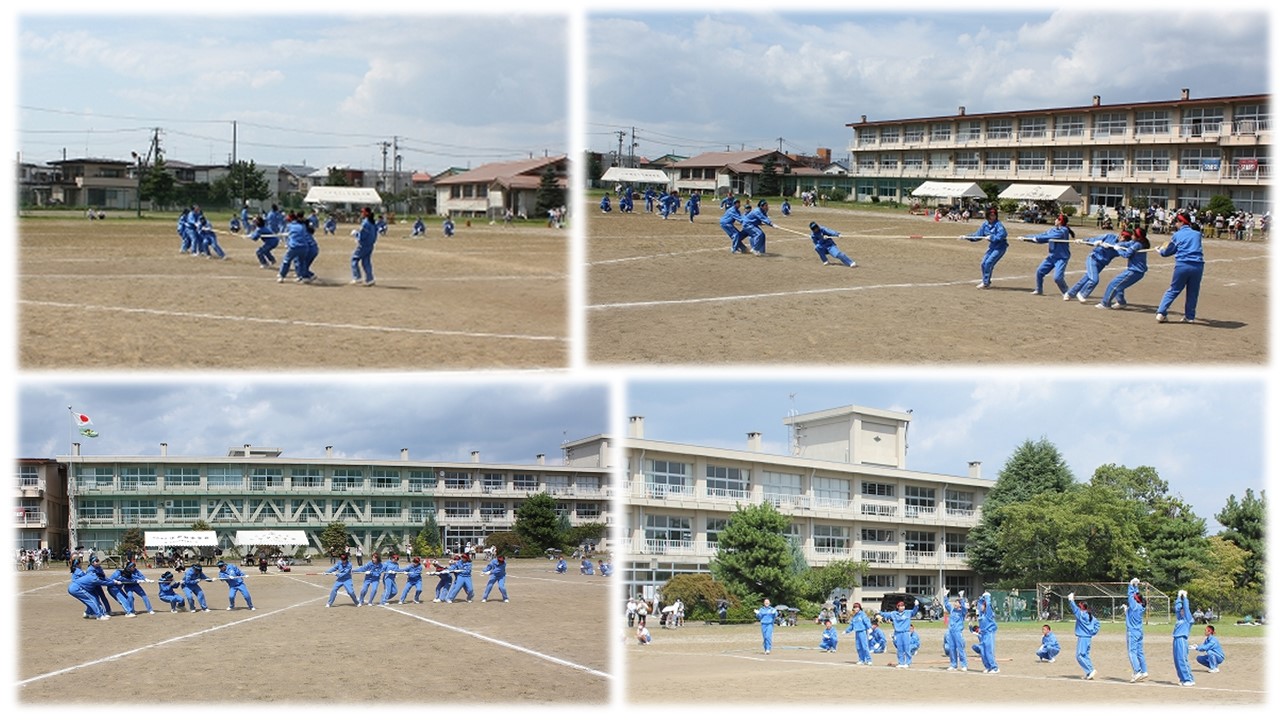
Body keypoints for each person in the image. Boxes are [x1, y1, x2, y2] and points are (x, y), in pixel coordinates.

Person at [1153, 212, 1206, 323]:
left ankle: (1161, 312)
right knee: (1193, 292)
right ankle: (1190, 316)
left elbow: (1168, 252)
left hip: (1183, 265)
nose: (1175, 224)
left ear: (1182, 222)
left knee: (1174, 289)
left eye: (1177, 221)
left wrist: (1160, 250)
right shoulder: (1197, 234)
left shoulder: (1177, 235)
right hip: (1198, 266)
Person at [1021, 214, 1073, 297]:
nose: (1055, 220)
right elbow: (1043, 235)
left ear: (1060, 221)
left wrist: (1038, 238)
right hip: (1052, 256)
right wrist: (1026, 238)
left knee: (1057, 278)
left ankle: (1067, 292)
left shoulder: (1063, 231)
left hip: (1061, 258)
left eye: (1057, 219)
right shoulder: (1052, 229)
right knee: (1040, 271)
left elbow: (1049, 237)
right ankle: (1039, 289)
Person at [1098, 228, 1150, 309]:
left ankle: (1105, 303)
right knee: (1120, 285)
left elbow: (1126, 255)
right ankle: (1121, 302)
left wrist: (1118, 249)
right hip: (1133, 270)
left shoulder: (1138, 245)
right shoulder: (1135, 242)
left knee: (1113, 284)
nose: (1131, 236)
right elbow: (1126, 244)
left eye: (1133, 235)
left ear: (1138, 237)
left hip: (1135, 271)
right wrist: (1116, 244)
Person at [1067, 231, 1123, 302]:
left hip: (1102, 263)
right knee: (1094, 279)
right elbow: (1094, 240)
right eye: (1123, 236)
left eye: (1127, 238)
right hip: (1093, 258)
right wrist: (1083, 240)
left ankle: (1070, 293)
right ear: (1120, 235)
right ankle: (1082, 294)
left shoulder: (1123, 245)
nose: (1124, 239)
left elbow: (1124, 253)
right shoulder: (1109, 236)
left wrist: (1114, 247)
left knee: (1086, 278)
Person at [965, 206, 1010, 289]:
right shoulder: (985, 224)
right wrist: (966, 237)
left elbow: (1003, 234)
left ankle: (986, 283)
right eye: (991, 215)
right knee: (983, 263)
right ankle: (986, 281)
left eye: (994, 215)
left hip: (1000, 247)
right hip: (992, 246)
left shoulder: (998, 225)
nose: (993, 217)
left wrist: (992, 237)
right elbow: (977, 236)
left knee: (989, 263)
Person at [1068, 592, 1101, 679]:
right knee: (1085, 655)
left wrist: (1071, 600)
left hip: (1083, 637)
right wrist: (1093, 632)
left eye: (1080, 604)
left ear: (1082, 606)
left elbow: (1074, 609)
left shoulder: (1081, 615)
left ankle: (1090, 670)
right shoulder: (1090, 616)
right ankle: (1089, 672)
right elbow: (1097, 624)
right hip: (1088, 638)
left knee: (1079, 656)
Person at [882, 598, 921, 668]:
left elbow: (914, 612)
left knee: (907, 648)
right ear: (898, 607)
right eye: (900, 606)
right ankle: (901, 662)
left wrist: (916, 606)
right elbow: (886, 614)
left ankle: (908, 662)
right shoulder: (894, 614)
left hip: (905, 632)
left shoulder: (907, 613)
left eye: (903, 606)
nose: (902, 607)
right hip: (898, 633)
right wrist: (879, 613)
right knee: (899, 649)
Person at [1126, 577, 1149, 682]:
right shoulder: (1141, 606)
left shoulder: (1134, 605)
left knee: (1132, 652)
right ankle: (1144, 671)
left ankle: (1137, 671)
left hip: (1133, 632)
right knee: (1140, 652)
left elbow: (1131, 596)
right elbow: (1137, 596)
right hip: (1139, 631)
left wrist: (1131, 585)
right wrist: (1136, 586)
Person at [350, 206, 379, 287]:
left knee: (354, 259)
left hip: (364, 245)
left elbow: (362, 235)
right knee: (366, 262)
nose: (361, 213)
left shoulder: (365, 223)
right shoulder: (373, 222)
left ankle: (357, 277)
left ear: (366, 213)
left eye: (362, 212)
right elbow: (375, 235)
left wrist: (356, 234)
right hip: (370, 245)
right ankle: (370, 279)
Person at [1173, 589, 1195, 686]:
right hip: (1176, 639)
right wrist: (1178, 596)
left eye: (1183, 610)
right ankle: (1182, 678)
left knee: (1182, 659)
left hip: (1182, 639)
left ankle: (1189, 679)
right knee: (1177, 660)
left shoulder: (1188, 618)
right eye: (1181, 610)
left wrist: (1185, 597)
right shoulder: (1180, 618)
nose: (1181, 611)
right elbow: (1178, 607)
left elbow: (1186, 608)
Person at [944, 588, 969, 671]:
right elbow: (946, 604)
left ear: (960, 604)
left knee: (960, 648)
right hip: (951, 632)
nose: (955, 604)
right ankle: (953, 664)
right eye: (955, 602)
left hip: (958, 632)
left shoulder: (962, 612)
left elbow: (965, 609)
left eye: (957, 602)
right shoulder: (952, 610)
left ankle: (964, 665)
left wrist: (961, 598)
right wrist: (945, 595)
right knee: (952, 648)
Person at [976, 591, 999, 673]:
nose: (980, 607)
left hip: (989, 633)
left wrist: (987, 597)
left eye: (982, 605)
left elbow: (988, 604)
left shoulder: (988, 614)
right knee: (983, 651)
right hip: (983, 634)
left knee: (989, 651)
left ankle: (994, 667)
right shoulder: (981, 615)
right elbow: (979, 606)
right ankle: (988, 666)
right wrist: (981, 599)